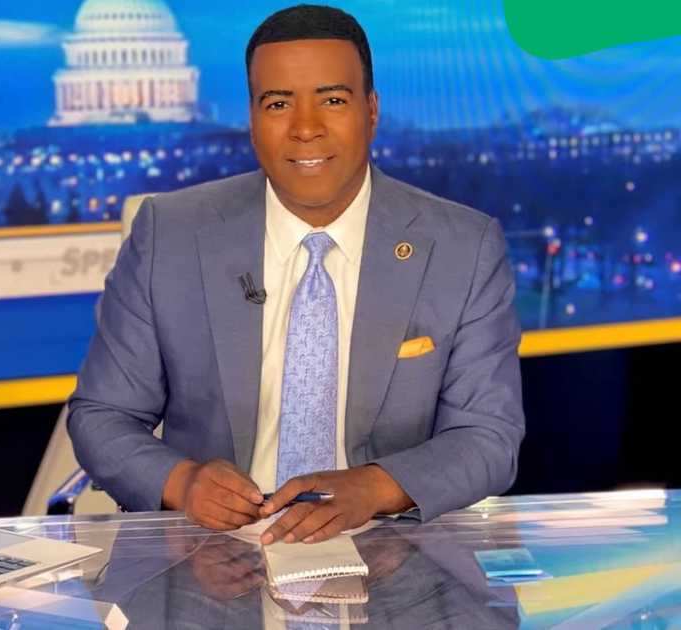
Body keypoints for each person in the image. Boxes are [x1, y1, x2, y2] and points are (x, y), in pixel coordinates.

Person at [68, 4, 524, 545]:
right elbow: (101, 415)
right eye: (279, 103)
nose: (306, 129)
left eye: (332, 100)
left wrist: (376, 488)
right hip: (212, 554)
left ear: (372, 111)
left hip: (391, 548)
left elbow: (488, 436)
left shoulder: (462, 247)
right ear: (253, 118)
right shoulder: (170, 234)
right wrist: (183, 481)